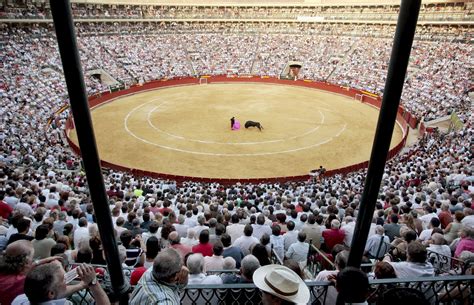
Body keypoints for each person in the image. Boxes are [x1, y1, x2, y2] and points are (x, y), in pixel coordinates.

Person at [12, 261, 108, 305]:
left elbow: (58, 292)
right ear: (51, 293)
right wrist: (93, 283)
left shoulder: (19, 299)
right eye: (63, 279)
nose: (66, 282)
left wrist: (81, 285)